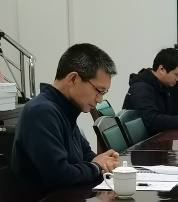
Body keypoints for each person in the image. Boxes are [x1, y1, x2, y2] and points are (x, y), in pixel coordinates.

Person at [12, 43, 120, 190]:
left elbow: (86, 155)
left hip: (68, 198)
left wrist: (105, 162)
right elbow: (60, 175)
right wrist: (96, 166)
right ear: (73, 79)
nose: (100, 99)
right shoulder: (41, 112)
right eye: (98, 91)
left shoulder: (65, 109)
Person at [122, 48, 178, 134]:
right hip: (146, 141)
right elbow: (152, 122)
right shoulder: (140, 88)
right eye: (176, 74)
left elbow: (169, 113)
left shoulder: (160, 85)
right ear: (161, 69)